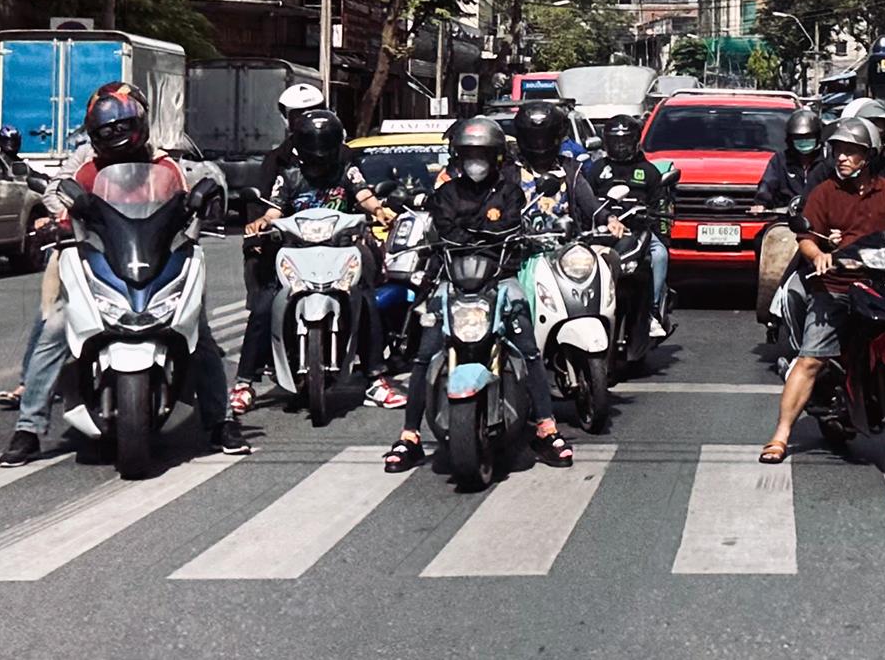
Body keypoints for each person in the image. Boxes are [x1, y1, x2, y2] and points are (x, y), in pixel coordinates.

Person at [1, 82, 252, 465]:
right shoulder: (88, 170)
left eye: (122, 128)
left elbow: (186, 209)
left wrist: (201, 209)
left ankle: (221, 421)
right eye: (106, 132)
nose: (116, 137)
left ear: (140, 127)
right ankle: (29, 428)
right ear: (95, 136)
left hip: (157, 264)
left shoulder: (165, 167)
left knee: (198, 334)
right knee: (54, 331)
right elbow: (61, 199)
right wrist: (59, 221)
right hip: (101, 264)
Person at [382, 116, 572, 471]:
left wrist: (473, 232)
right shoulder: (445, 194)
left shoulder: (510, 192)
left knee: (529, 349)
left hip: (500, 279)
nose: (476, 161)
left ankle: (546, 427)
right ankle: (410, 435)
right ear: (458, 157)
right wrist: (481, 232)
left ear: (497, 157)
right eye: (469, 154)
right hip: (452, 281)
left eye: (483, 154)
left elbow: (508, 226)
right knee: (424, 353)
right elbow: (445, 228)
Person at [758, 122, 885, 463]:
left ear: (868, 156)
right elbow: (806, 238)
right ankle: (781, 435)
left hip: (882, 283)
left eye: (850, 152)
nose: (841, 157)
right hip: (836, 286)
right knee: (811, 359)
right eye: (838, 151)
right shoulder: (824, 193)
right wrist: (818, 255)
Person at [236, 103, 395, 412]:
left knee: (365, 301)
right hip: (296, 252)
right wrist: (262, 222)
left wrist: (379, 210)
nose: (319, 154)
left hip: (341, 250)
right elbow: (274, 210)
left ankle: (376, 379)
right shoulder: (289, 176)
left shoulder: (346, 171)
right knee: (265, 303)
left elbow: (364, 195)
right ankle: (245, 383)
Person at [582, 112, 675, 338]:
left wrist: (660, 233)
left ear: (635, 142)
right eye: (615, 141)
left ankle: (652, 311)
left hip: (639, 230)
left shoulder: (649, 172)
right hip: (603, 231)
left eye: (625, 141)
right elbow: (585, 202)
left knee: (659, 254)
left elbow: (662, 206)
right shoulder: (596, 170)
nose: (620, 146)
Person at [755, 108, 833, 210]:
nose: (804, 141)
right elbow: (768, 183)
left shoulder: (828, 159)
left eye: (809, 137)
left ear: (817, 137)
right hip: (786, 214)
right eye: (798, 138)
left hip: (820, 213)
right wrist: (761, 203)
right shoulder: (781, 159)